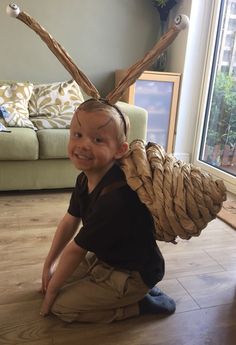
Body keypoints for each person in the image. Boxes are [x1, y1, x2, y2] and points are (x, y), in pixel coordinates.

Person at [40, 98, 176, 323]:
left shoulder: (116, 199)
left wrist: (52, 294)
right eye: (77, 135)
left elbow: (76, 250)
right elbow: (69, 221)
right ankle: (122, 293)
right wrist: (49, 264)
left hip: (135, 272)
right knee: (56, 278)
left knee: (61, 307)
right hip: (107, 258)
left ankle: (140, 305)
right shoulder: (85, 178)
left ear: (120, 150)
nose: (83, 144)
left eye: (98, 139)